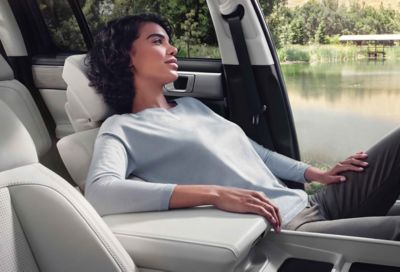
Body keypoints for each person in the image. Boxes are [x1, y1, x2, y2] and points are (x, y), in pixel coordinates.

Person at [85, 13, 400, 240]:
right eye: (157, 42)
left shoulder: (193, 107)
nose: (173, 50)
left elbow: (258, 155)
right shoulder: (121, 128)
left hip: (311, 203)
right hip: (286, 228)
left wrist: (316, 174)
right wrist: (215, 194)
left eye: (169, 42)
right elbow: (101, 192)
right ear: (125, 57)